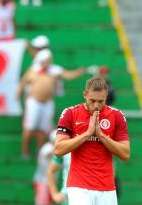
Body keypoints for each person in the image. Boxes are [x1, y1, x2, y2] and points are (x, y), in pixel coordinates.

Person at [54, 77, 130, 205]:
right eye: (92, 100)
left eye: (101, 101)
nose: (96, 106)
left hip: (107, 187)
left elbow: (125, 154)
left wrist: (101, 136)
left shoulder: (117, 116)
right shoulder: (70, 114)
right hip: (79, 186)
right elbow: (58, 149)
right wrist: (87, 134)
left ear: (106, 96)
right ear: (85, 95)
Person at [17, 49, 88, 157]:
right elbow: (23, 82)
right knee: (29, 128)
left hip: (47, 103)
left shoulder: (54, 70)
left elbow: (68, 75)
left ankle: (40, 151)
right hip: (34, 103)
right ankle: (24, 150)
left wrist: (80, 71)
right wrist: (18, 94)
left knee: (43, 129)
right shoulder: (33, 70)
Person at [32, 129, 57, 205]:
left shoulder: (51, 147)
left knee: (49, 201)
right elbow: (47, 154)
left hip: (50, 180)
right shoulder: (48, 147)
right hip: (43, 180)